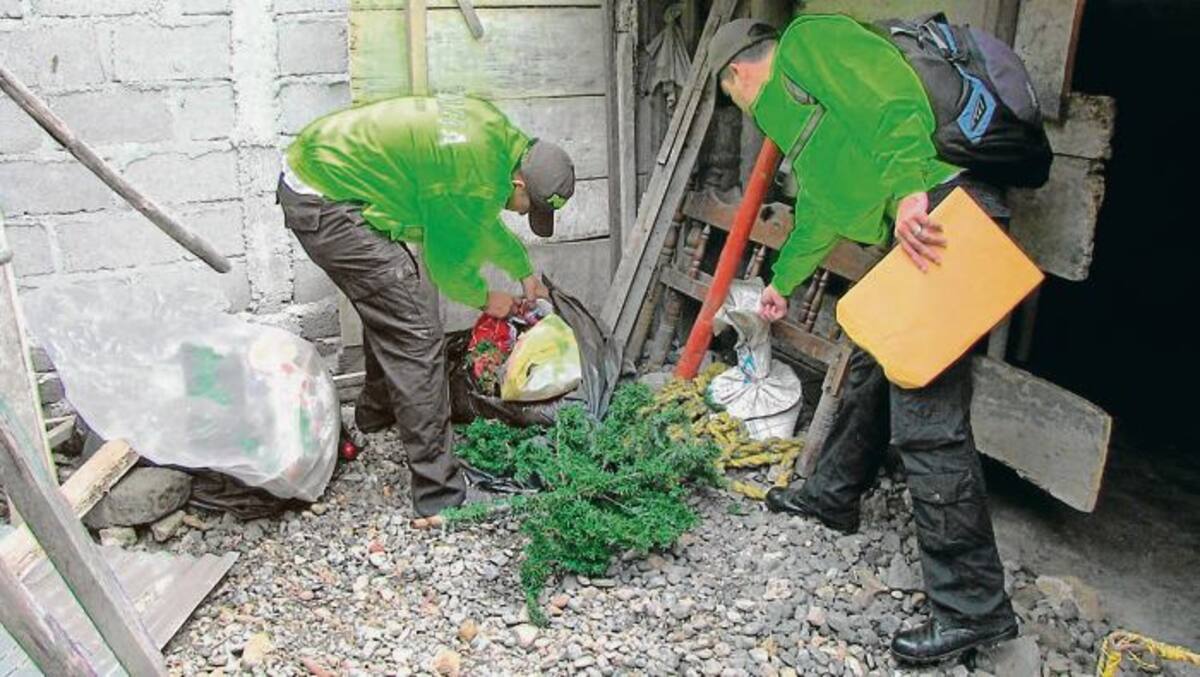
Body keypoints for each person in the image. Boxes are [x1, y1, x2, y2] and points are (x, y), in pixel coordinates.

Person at [708, 16, 1018, 664]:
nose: (736, 106)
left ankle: (973, 608)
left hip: (942, 210)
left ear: (736, 75)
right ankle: (833, 495)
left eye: (727, 94)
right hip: (923, 218)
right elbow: (823, 204)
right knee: (877, 366)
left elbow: (889, 91)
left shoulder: (807, 44)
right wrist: (782, 281)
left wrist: (909, 188)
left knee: (927, 414)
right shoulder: (797, 115)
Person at [277, 94, 575, 518]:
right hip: (326, 200)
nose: (523, 213)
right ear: (520, 185)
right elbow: (449, 267)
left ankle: (377, 413)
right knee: (417, 335)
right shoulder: (473, 177)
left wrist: (524, 272)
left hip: (323, 173)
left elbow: (478, 220)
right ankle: (439, 495)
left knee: (393, 297)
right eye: (530, 208)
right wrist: (493, 301)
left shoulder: (496, 139)